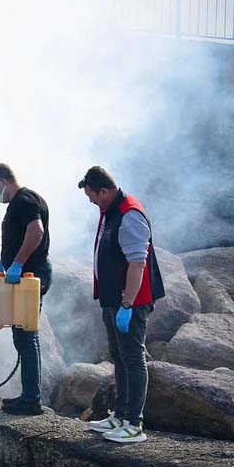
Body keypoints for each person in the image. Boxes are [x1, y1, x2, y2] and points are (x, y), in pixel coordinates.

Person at [78, 166, 165, 443]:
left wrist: (128, 304)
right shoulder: (110, 211)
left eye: (92, 196)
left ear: (104, 191)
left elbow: (137, 263)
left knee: (132, 358)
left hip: (130, 302)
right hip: (113, 299)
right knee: (118, 356)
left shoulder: (129, 214)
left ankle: (134, 423)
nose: (91, 201)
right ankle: (120, 414)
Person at [0, 163, 53, 416]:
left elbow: (36, 231)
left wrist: (17, 263)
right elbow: (18, 237)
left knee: (26, 335)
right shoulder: (20, 202)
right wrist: (4, 262)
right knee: (21, 334)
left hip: (29, 274)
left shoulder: (24, 200)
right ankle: (28, 395)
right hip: (23, 274)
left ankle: (32, 399)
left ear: (3, 181)